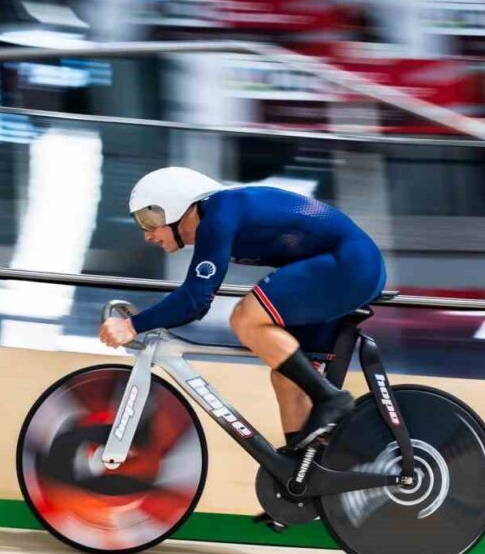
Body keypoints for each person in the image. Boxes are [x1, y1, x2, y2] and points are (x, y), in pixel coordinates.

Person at [99, 166, 387, 451]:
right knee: (287, 378)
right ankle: (300, 470)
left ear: (175, 204)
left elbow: (195, 301)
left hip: (350, 264)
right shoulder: (218, 216)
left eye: (149, 220)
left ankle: (330, 399)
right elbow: (195, 298)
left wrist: (131, 326)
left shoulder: (218, 215)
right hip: (344, 268)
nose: (147, 235)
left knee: (245, 318)